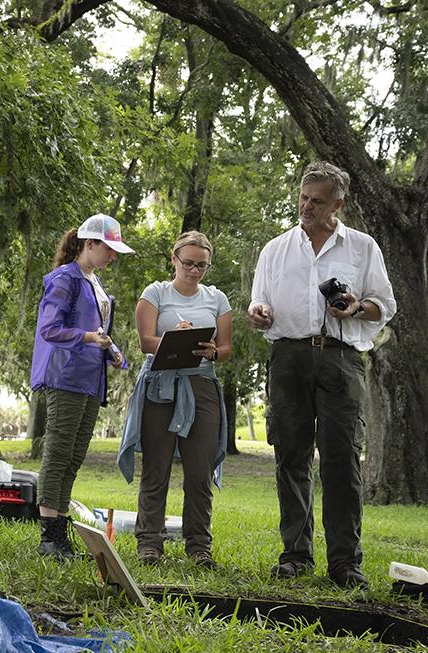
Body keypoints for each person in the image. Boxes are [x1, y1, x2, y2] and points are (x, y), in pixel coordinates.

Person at [248, 161, 396, 589]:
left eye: (316, 201)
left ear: (338, 203)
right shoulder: (275, 249)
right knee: (290, 456)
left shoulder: (363, 247)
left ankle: (345, 563)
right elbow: (260, 302)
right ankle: (295, 555)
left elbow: (382, 306)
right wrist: (259, 312)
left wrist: (355, 307)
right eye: (302, 197)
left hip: (341, 359)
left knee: (341, 459)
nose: (306, 206)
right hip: (288, 357)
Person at [117, 231, 232, 570]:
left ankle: (199, 545)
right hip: (161, 385)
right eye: (188, 263)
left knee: (200, 471)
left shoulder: (217, 299)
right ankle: (149, 542)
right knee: (157, 467)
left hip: (201, 385)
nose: (195, 270)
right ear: (174, 259)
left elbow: (224, 350)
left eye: (202, 265)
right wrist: (174, 338)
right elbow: (145, 342)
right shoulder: (156, 293)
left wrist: (213, 350)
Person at [30, 214, 133, 558]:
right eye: (109, 248)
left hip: (91, 380)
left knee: (74, 456)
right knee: (57, 452)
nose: (113, 256)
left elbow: (100, 332)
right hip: (65, 376)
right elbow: (50, 328)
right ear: (89, 244)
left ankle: (60, 532)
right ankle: (49, 536)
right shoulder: (65, 279)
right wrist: (88, 337)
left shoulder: (96, 284)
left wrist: (113, 352)